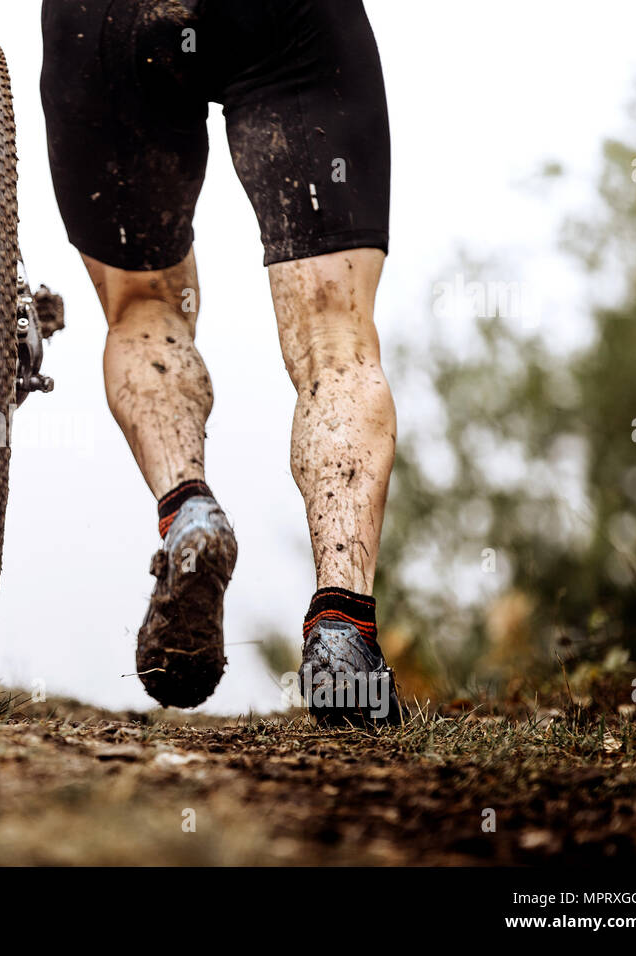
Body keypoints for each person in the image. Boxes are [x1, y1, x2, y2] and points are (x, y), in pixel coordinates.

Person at [40, 0, 401, 722]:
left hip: (106, 22)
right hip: (292, 23)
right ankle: (342, 628)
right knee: (336, 331)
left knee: (144, 304)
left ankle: (189, 514)